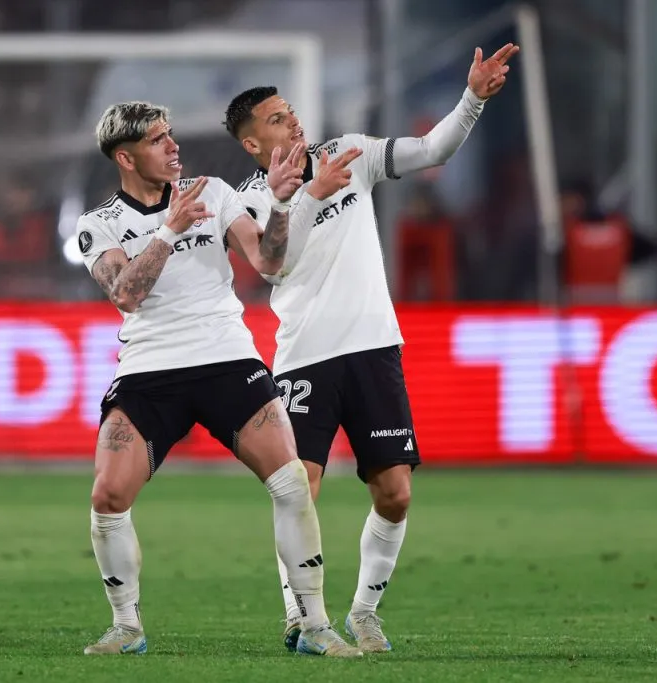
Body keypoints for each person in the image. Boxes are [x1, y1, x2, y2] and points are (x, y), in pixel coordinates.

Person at [224, 43, 519, 652]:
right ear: (252, 143)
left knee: (396, 492)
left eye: (290, 111)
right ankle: (302, 616)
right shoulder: (248, 200)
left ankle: (363, 611)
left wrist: (472, 100)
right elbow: (276, 266)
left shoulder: (347, 154)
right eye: (276, 119)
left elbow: (433, 150)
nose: (294, 121)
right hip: (305, 356)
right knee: (297, 487)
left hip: (373, 348)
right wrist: (304, 197)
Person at [76, 101, 361, 657]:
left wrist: (280, 202)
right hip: (150, 368)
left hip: (226, 357)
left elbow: (269, 261)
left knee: (290, 481)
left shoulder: (216, 190)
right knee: (108, 495)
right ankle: (126, 625)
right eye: (160, 139)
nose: (174, 146)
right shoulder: (100, 223)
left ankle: (313, 624)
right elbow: (127, 296)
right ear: (126, 156)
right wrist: (168, 230)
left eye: (171, 134)